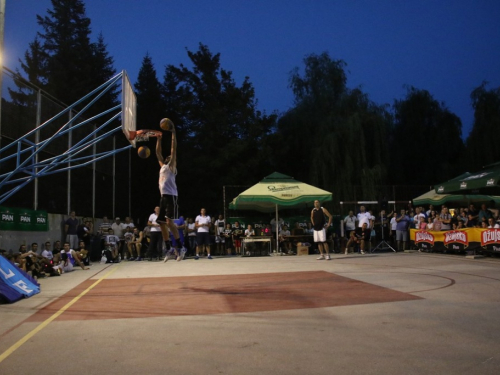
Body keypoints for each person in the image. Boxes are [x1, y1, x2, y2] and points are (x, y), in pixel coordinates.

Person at [155, 128, 185, 262]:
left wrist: (173, 133)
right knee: (161, 223)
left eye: (169, 157)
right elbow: (157, 152)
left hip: (171, 196)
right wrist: (159, 139)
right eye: (166, 157)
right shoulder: (162, 166)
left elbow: (173, 149)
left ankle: (180, 247)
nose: (167, 157)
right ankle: (169, 248)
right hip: (163, 197)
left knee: (168, 221)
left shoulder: (172, 167)